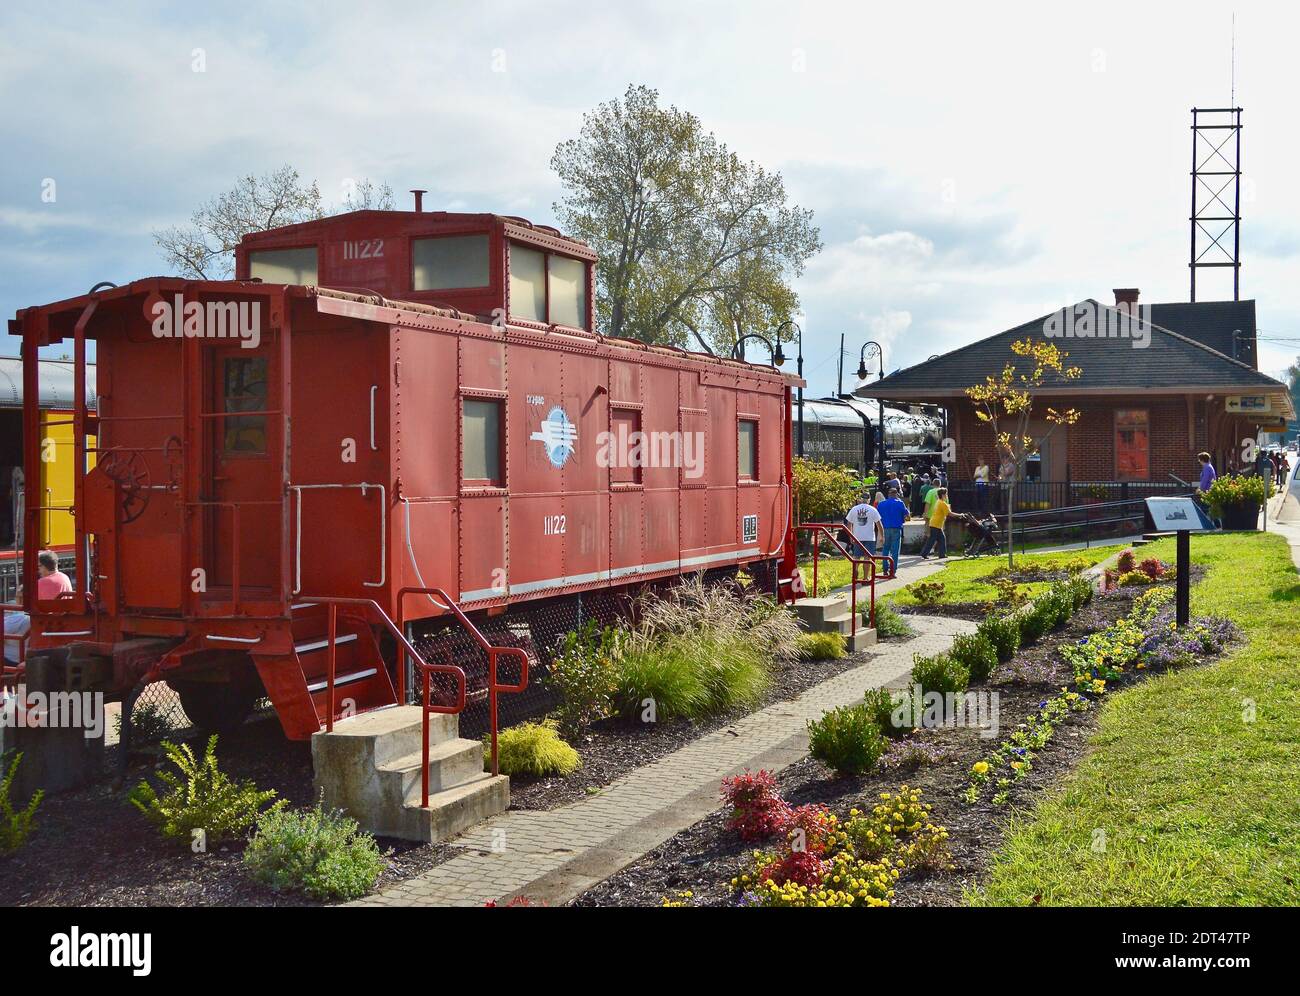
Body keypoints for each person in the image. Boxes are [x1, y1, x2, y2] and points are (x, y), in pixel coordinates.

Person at [877, 486, 908, 574]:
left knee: (885, 548)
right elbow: (906, 514)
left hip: (885, 528)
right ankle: (893, 569)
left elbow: (878, 516)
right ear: (896, 494)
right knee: (895, 550)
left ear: (888, 494)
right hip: (896, 528)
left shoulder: (881, 504)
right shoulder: (900, 503)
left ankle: (885, 569)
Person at [842, 492, 883, 558]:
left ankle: (856, 565)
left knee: (856, 557)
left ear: (861, 499)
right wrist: (882, 536)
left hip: (857, 537)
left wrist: (850, 536)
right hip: (870, 538)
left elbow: (849, 524)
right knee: (867, 558)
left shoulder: (854, 509)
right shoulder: (873, 509)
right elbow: (879, 524)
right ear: (869, 499)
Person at [919, 487, 951, 559]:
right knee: (932, 540)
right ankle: (925, 553)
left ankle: (941, 554)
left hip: (936, 524)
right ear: (943, 495)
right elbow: (949, 513)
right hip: (936, 524)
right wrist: (960, 515)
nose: (947, 496)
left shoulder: (938, 501)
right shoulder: (942, 503)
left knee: (941, 539)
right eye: (946, 494)